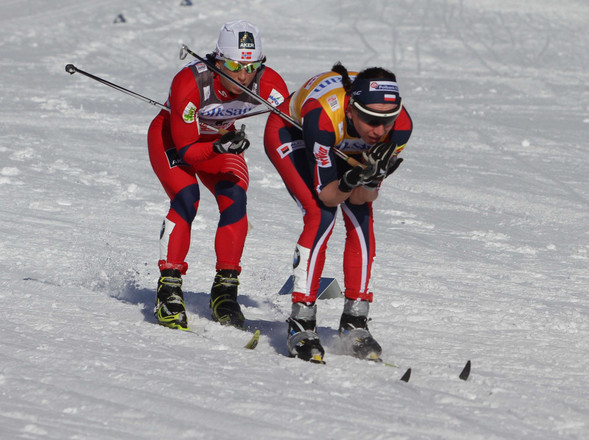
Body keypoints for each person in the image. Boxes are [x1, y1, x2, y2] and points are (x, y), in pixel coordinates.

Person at [264, 63, 413, 362]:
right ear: (351, 110)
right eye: (371, 119)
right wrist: (349, 179)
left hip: (345, 144)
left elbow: (363, 197)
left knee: (361, 216)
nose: (380, 130)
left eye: (387, 120)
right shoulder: (324, 115)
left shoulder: (399, 128)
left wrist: (370, 177)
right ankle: (301, 321)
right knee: (321, 215)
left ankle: (355, 320)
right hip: (293, 132)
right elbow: (328, 195)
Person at [148, 20, 289, 331]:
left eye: (251, 66)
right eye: (234, 65)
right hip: (173, 139)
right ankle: (168, 290)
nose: (242, 75)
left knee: (235, 199)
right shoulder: (191, 83)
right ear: (217, 59)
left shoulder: (269, 85)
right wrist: (221, 145)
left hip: (218, 142)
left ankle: (225, 291)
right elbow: (187, 152)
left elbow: (296, 123)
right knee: (187, 198)